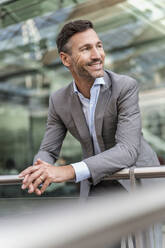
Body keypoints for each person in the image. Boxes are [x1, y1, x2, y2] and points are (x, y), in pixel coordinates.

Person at [19, 19, 162, 248]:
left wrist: (67, 171)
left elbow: (127, 150)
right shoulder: (58, 99)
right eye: (86, 49)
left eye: (99, 45)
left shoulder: (125, 87)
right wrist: (41, 168)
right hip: (99, 183)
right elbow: (48, 148)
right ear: (65, 59)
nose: (97, 55)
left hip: (136, 180)